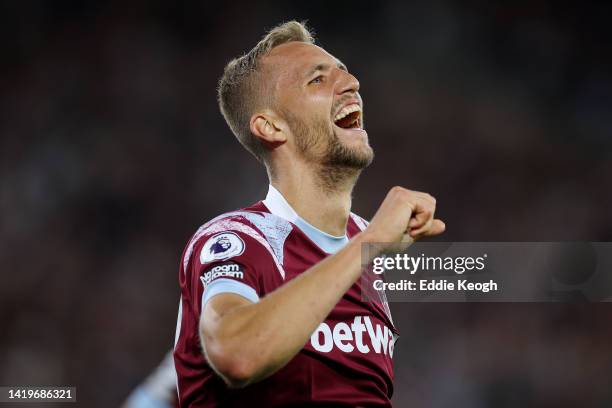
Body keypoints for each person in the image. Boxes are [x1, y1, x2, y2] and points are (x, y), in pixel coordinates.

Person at [173, 21, 445, 407]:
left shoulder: (368, 252)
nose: (351, 82)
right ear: (271, 126)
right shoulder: (239, 238)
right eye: (317, 80)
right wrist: (367, 245)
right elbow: (237, 354)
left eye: (343, 70)